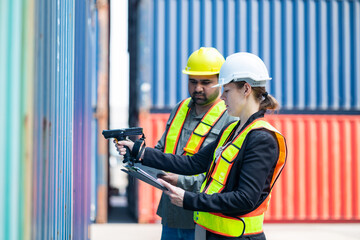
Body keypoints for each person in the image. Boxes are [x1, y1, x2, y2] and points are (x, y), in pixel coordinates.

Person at [117, 52, 287, 240]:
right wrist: (139, 151)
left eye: (227, 91)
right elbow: (192, 164)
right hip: (212, 233)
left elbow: (245, 199)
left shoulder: (262, 139)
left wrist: (189, 199)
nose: (222, 97)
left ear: (246, 89)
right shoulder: (233, 130)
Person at [149, 47, 238, 240]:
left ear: (221, 82)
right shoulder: (179, 109)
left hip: (202, 218)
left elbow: (222, 175)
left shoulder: (230, 119)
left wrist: (180, 181)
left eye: (206, 83)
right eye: (193, 81)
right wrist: (138, 154)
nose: (197, 88)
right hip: (171, 215)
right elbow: (162, 151)